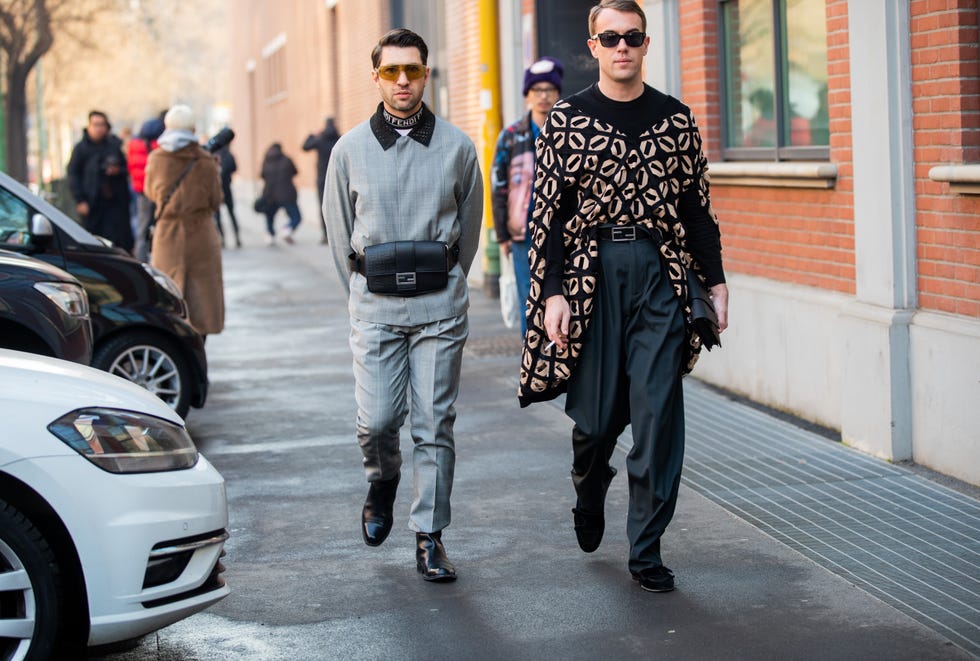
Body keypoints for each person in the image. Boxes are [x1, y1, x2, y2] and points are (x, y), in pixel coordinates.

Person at [518, 0, 729, 593]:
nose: (621, 47)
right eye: (609, 37)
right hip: (591, 278)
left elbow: (697, 209)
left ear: (645, 43)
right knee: (597, 418)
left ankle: (647, 549)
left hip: (661, 275)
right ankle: (589, 483)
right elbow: (547, 216)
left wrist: (715, 282)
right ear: (593, 46)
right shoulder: (566, 120)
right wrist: (552, 292)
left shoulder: (676, 119)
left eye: (631, 37)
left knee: (659, 414)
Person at [322, 28, 483, 582]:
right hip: (375, 310)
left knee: (434, 424)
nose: (403, 81)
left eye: (412, 70)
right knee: (378, 421)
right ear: (377, 77)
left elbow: (470, 229)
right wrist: (360, 297)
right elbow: (339, 233)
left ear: (426, 74)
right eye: (391, 71)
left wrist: (451, 283)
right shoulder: (348, 151)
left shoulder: (459, 148)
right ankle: (382, 477)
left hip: (439, 310)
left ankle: (429, 536)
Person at [491, 57, 563, 336]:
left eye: (549, 90)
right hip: (523, 234)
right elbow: (498, 187)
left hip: (561, 230)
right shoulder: (511, 136)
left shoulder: (570, 132)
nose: (543, 96)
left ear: (558, 93)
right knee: (528, 301)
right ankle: (533, 362)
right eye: (537, 90)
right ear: (527, 95)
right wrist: (503, 237)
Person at [144, 105, 225, 338]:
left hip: (167, 234)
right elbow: (215, 199)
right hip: (200, 234)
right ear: (192, 129)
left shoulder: (156, 158)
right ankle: (199, 355)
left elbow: (150, 192)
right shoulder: (205, 159)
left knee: (170, 295)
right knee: (203, 301)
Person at [67, 110, 134, 252]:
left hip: (115, 204)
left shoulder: (114, 146)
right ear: (89, 126)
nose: (99, 129)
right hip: (92, 205)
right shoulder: (81, 149)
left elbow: (127, 168)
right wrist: (80, 200)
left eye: (102, 125)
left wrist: (117, 171)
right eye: (96, 125)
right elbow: (73, 174)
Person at [128, 116, 165, 262]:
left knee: (142, 229)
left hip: (141, 192)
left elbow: (131, 168)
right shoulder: (160, 147)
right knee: (162, 228)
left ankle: (142, 261)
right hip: (158, 192)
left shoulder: (134, 145)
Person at [302, 116, 341, 244]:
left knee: (323, 208)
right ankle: (340, 235)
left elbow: (305, 147)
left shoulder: (320, 139)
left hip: (322, 179)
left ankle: (326, 235)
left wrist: (312, 135)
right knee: (340, 207)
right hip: (339, 178)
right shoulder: (340, 139)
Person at [259, 143, 301, 245]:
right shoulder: (286, 160)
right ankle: (287, 228)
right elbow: (295, 172)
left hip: (270, 194)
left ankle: (270, 234)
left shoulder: (266, 161)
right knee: (296, 216)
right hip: (286, 193)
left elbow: (262, 175)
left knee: (269, 216)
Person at [215, 142, 242, 248]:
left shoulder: (215, 155)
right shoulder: (229, 155)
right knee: (231, 213)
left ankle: (222, 238)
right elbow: (234, 168)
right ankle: (237, 236)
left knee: (218, 216)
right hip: (227, 188)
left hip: (217, 189)